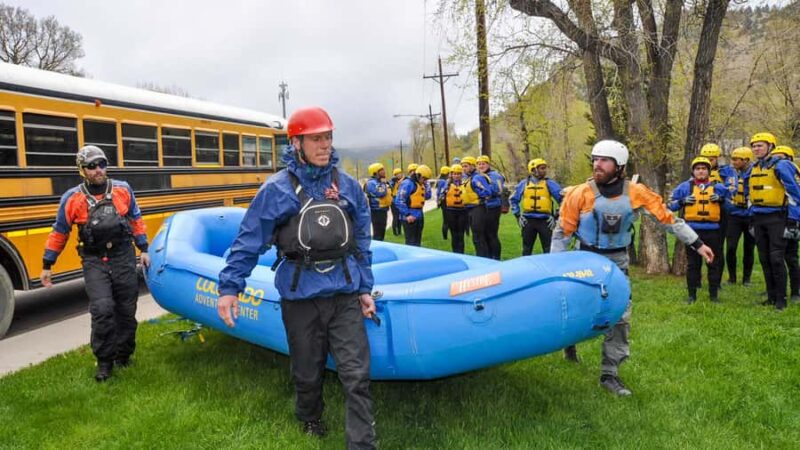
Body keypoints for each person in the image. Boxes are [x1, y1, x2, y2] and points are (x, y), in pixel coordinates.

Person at [217, 106, 377, 448]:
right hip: (300, 295)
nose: (324, 145)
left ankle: (361, 444)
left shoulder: (346, 185)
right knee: (307, 370)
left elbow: (362, 238)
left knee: (356, 375)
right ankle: (310, 417)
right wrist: (230, 288)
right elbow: (249, 238)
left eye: (328, 137)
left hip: (343, 293)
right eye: (315, 138)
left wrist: (364, 287)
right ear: (297, 142)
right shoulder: (277, 189)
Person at [553, 140, 713, 396]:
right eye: (595, 159)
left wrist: (697, 243)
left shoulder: (636, 192)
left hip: (617, 261)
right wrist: (557, 267)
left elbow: (668, 219)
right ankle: (569, 344)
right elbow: (562, 232)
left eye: (605, 160)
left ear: (619, 166)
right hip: (583, 259)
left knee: (620, 316)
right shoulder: (579, 193)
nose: (597, 164)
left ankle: (610, 374)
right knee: (577, 308)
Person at [40, 145, 150, 382]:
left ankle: (124, 355)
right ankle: (104, 362)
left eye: (102, 164)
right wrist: (47, 264)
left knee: (126, 310)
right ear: (82, 170)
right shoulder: (73, 198)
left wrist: (144, 249)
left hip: (123, 257)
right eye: (92, 166)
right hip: (94, 260)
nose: (98, 170)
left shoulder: (123, 190)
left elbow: (136, 219)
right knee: (102, 310)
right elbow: (60, 232)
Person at [747, 132, 800, 310]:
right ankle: (771, 296)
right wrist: (751, 218)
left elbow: (794, 194)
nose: (756, 148)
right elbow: (749, 195)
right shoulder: (754, 167)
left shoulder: (782, 165)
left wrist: (793, 220)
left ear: (770, 146)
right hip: (759, 218)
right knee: (764, 258)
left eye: (760, 145)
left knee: (776, 258)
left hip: (778, 217)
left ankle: (781, 299)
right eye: (754, 146)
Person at [669, 157, 729, 303]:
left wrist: (721, 200)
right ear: (693, 171)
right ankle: (692, 295)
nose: (701, 171)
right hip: (692, 231)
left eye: (704, 168)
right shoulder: (685, 187)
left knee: (713, 263)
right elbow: (670, 206)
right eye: (698, 169)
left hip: (713, 230)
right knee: (693, 264)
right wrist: (682, 202)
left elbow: (732, 207)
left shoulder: (719, 187)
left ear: (709, 171)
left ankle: (714, 295)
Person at [510, 158, 563, 256]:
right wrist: (517, 215)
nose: (544, 171)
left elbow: (563, 200)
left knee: (548, 249)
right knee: (526, 249)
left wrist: (556, 216)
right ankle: (526, 268)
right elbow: (513, 200)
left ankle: (549, 268)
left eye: (545, 168)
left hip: (545, 221)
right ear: (533, 170)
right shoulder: (524, 184)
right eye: (542, 168)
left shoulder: (549, 183)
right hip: (528, 221)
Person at [701, 143, 737, 283]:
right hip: (702, 212)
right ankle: (697, 279)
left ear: (717, 158)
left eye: (712, 159)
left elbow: (732, 188)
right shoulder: (699, 170)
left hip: (721, 212)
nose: (709, 162)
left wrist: (720, 195)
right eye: (706, 158)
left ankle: (717, 280)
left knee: (718, 247)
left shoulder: (727, 171)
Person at [768, 145, 800, 302]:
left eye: (781, 157)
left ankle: (795, 291)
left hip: (792, 219)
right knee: (776, 257)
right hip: (778, 219)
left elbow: (795, 199)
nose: (778, 160)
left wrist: (793, 221)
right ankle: (776, 290)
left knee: (791, 257)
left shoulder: (793, 174)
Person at [726, 147, 755, 286]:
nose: (733, 162)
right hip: (734, 215)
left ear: (746, 160)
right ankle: (732, 278)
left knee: (749, 248)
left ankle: (747, 279)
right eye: (733, 159)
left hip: (750, 215)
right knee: (731, 247)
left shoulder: (755, 172)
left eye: (736, 159)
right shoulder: (730, 173)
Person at [460, 156, 496, 258]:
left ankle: (483, 258)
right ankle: (481, 256)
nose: (464, 168)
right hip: (470, 209)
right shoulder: (467, 178)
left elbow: (487, 192)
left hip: (478, 208)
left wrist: (478, 195)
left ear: (472, 166)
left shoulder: (477, 178)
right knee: (476, 236)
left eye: (466, 166)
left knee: (479, 236)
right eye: (462, 166)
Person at [394, 164, 433, 246]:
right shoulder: (407, 183)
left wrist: (427, 185)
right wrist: (407, 214)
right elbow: (399, 201)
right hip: (409, 217)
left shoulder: (421, 184)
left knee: (417, 242)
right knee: (411, 243)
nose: (425, 180)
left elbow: (427, 196)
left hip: (419, 215)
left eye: (426, 179)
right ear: (418, 175)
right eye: (424, 178)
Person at [477, 155, 505, 260]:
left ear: (488, 164)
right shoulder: (478, 176)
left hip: (493, 207)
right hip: (482, 208)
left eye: (483, 163)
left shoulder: (495, 175)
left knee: (492, 234)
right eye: (479, 164)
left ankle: (496, 257)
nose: (481, 166)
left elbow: (498, 189)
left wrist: (483, 191)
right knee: (483, 235)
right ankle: (488, 257)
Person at [442, 164, 468, 253]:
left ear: (461, 175)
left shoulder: (465, 183)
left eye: (458, 174)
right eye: (454, 174)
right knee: (454, 234)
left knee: (461, 234)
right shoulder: (447, 184)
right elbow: (442, 197)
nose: (456, 176)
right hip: (451, 212)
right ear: (451, 174)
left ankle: (461, 252)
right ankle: (455, 252)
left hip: (462, 211)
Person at [364, 162, 392, 241]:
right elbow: (381, 193)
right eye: (381, 170)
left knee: (382, 231)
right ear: (375, 172)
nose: (384, 171)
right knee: (378, 233)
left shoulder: (380, 182)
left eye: (383, 169)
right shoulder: (371, 183)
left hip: (383, 209)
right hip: (376, 211)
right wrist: (384, 184)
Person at [436, 166, 451, 240]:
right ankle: (445, 236)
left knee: (446, 220)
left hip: (442, 202)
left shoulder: (440, 180)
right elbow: (443, 191)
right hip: (445, 201)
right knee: (446, 220)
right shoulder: (444, 181)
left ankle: (445, 236)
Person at [388, 168, 404, 236]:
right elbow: (390, 186)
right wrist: (393, 183)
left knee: (400, 217)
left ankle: (399, 231)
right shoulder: (393, 181)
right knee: (395, 217)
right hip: (394, 201)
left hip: (400, 200)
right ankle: (395, 232)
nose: (399, 175)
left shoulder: (403, 180)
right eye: (397, 174)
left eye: (400, 173)